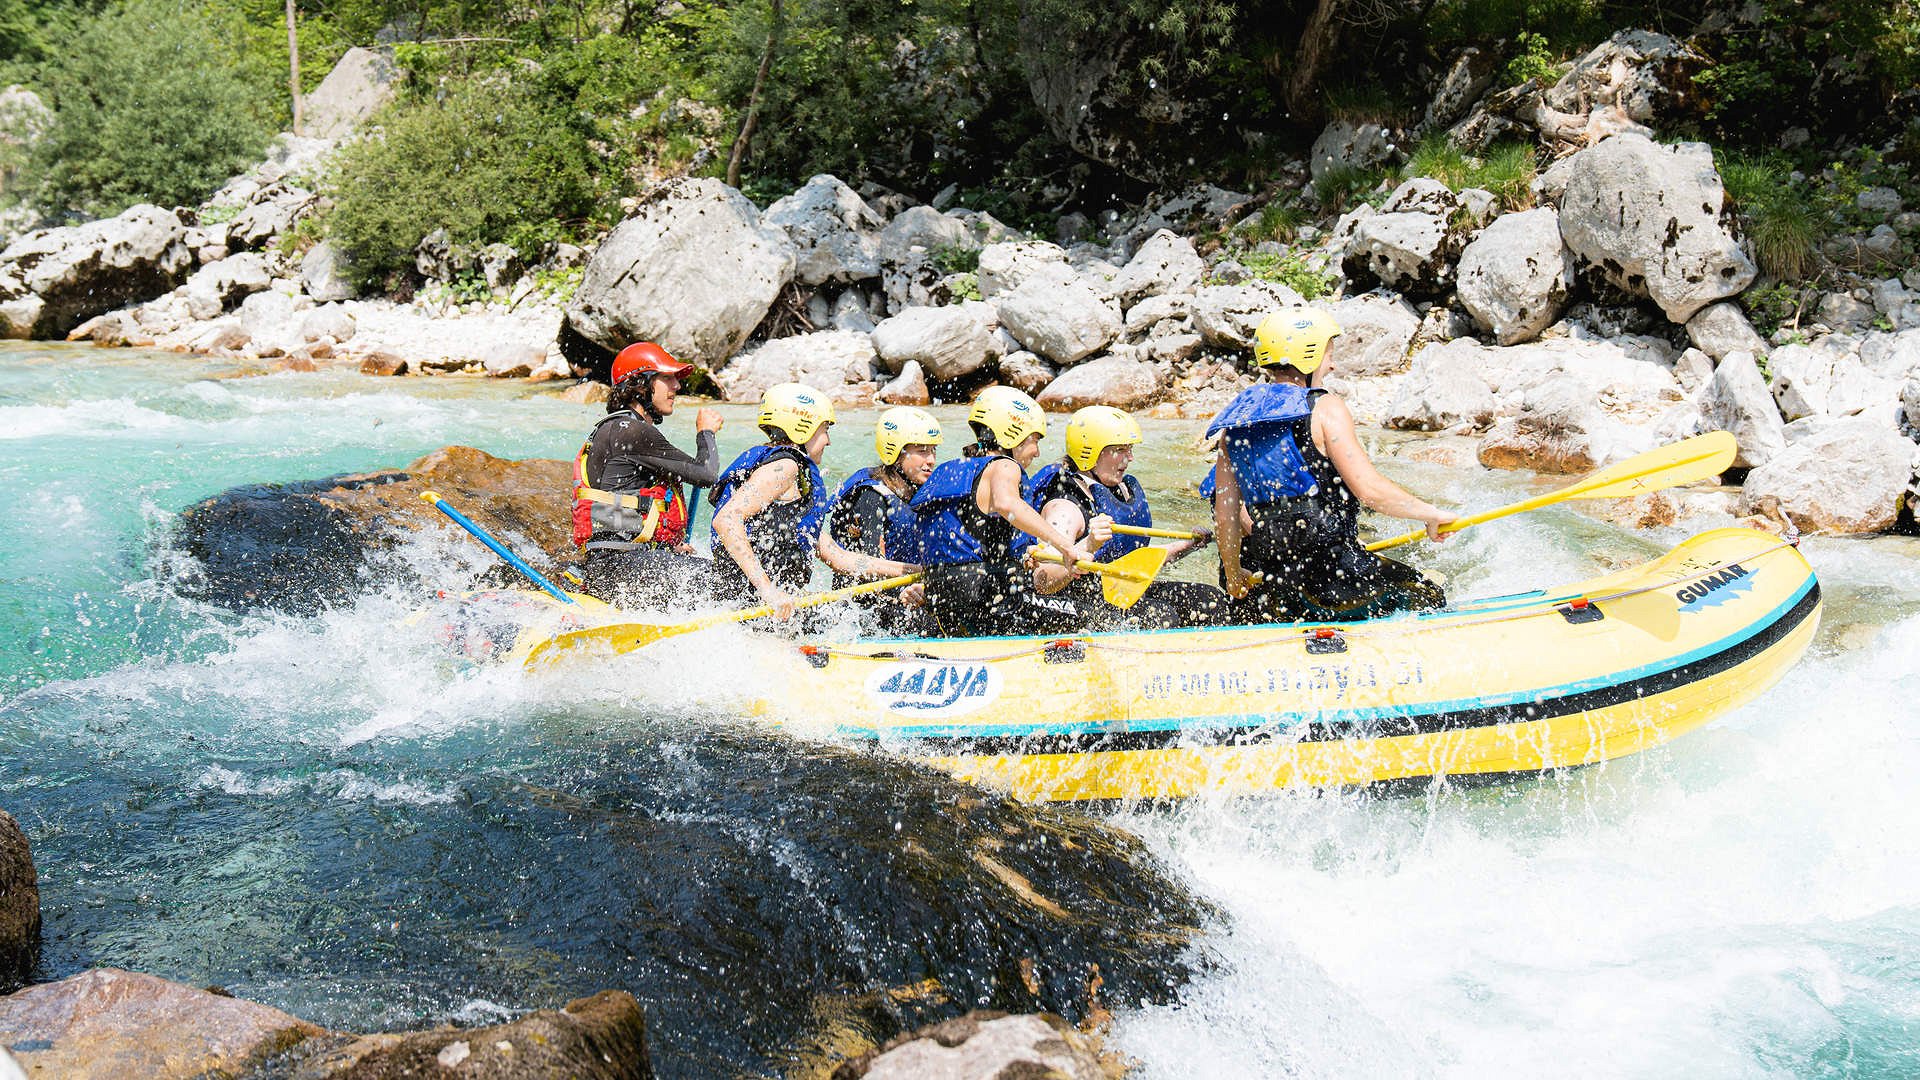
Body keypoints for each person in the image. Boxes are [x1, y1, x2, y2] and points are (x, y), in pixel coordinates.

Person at [1209, 307, 1457, 623]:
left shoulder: (1237, 424)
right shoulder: (1326, 409)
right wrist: (1431, 514)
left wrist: (1232, 573)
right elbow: (1369, 491)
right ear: (1308, 356)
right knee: (1427, 593)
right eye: (1328, 354)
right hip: (1334, 579)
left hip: (1272, 583)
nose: (1333, 363)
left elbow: (1226, 511)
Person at [907, 386, 1096, 637]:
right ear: (1012, 435)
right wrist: (1066, 547)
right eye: (1035, 439)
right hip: (986, 595)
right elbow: (1007, 504)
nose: (1037, 452)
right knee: (1083, 617)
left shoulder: (948, 470)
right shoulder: (1005, 466)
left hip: (942, 595)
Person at [1028, 406, 1230, 629]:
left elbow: (1137, 561)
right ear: (1090, 452)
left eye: (1130, 449)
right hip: (1073, 600)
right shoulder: (1065, 508)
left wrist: (1190, 544)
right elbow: (1043, 581)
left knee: (1209, 600)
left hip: (1113, 593)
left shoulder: (1120, 491)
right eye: (1121, 450)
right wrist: (1090, 544)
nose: (1130, 457)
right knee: (1160, 616)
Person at [573, 341, 723, 607]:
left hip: (612, 564)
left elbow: (621, 513)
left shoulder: (612, 429)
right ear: (640, 384)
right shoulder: (633, 431)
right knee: (728, 581)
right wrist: (705, 432)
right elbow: (705, 473)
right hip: (623, 567)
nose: (676, 386)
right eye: (667, 378)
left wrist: (665, 549)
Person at [709, 383, 840, 621]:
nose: (828, 441)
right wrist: (768, 591)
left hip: (761, 606)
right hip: (750, 609)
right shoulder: (785, 467)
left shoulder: (792, 477)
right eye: (825, 429)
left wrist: (915, 571)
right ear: (803, 428)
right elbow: (727, 519)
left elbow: (841, 559)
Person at [818, 407, 942, 633]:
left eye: (933, 451)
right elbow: (868, 564)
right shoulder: (870, 497)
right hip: (867, 609)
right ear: (896, 452)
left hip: (908, 595)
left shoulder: (919, 496)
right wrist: (902, 593)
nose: (931, 460)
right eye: (922, 451)